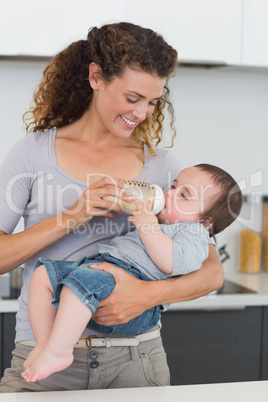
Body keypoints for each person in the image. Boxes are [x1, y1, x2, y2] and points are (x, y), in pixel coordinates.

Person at [0, 22, 224, 393]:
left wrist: (148, 295)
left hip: (136, 358)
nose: (142, 113)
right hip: (42, 353)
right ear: (96, 77)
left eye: (153, 102)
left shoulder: (164, 169)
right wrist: (71, 217)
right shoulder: (34, 153)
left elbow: (211, 272)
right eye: (132, 98)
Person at [21, 163, 242, 383]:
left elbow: (172, 262)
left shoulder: (193, 232)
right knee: (43, 274)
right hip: (102, 266)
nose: (169, 193)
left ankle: (60, 350)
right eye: (174, 186)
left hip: (133, 289)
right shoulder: (162, 221)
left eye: (183, 195)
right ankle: (45, 344)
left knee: (78, 286)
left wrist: (148, 226)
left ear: (204, 221)